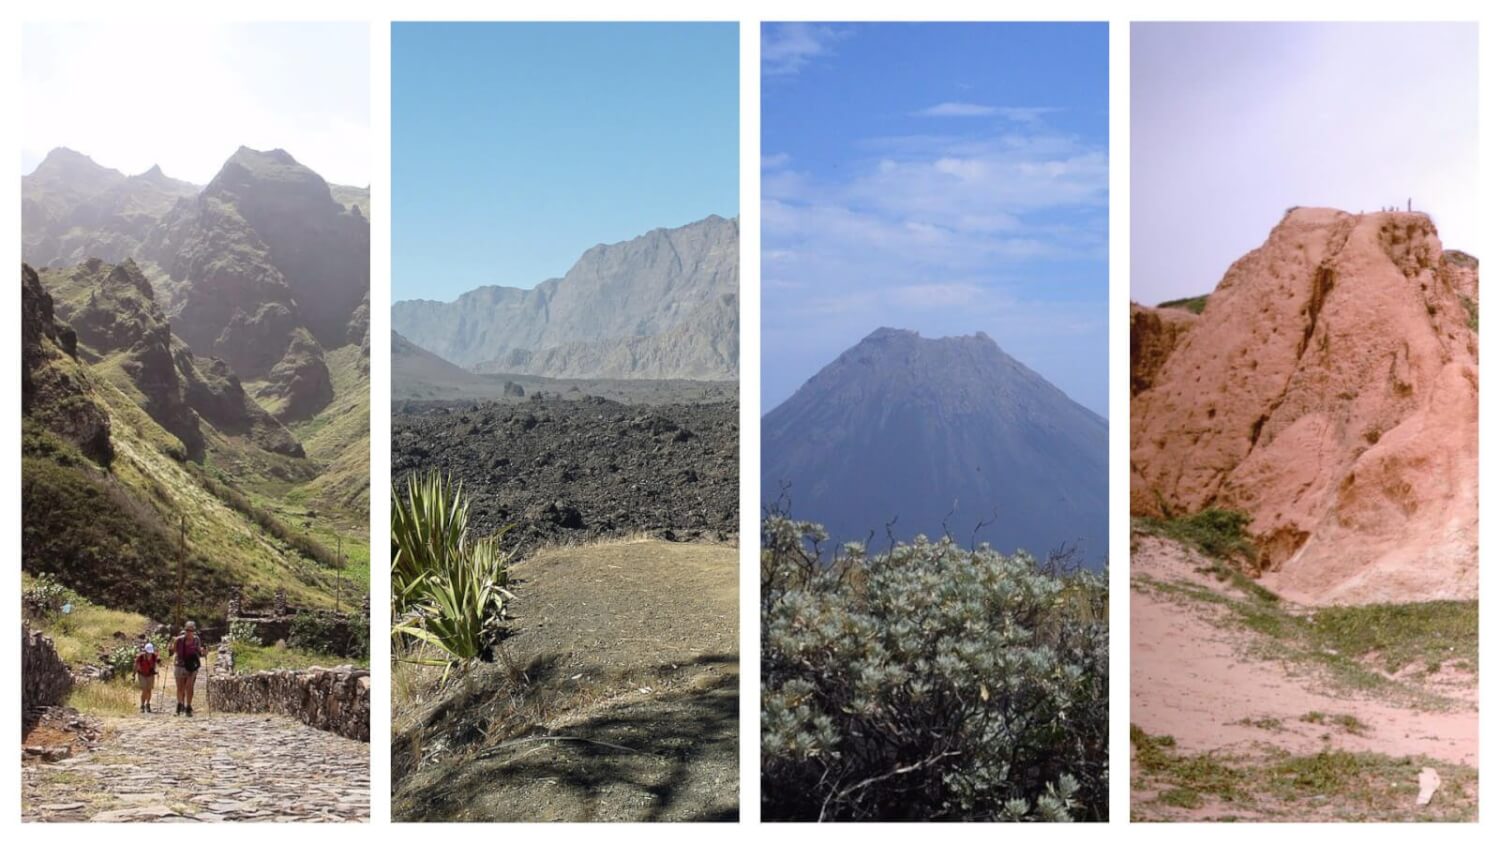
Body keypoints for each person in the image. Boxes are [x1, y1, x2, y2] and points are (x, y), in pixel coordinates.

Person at [172, 621, 204, 716]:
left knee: (189, 686)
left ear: (194, 631)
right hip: (180, 665)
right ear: (185, 630)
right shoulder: (179, 640)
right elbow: (173, 651)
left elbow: (199, 651)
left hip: (191, 666)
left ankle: (188, 706)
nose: (189, 632)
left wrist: (203, 651)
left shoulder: (196, 640)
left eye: (191, 630)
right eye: (187, 630)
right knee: (180, 687)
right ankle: (179, 704)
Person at [134, 642, 158, 714]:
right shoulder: (140, 657)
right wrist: (133, 674)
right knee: (144, 690)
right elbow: (136, 665)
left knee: (149, 690)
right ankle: (142, 705)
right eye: (148, 652)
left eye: (150, 652)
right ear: (145, 651)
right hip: (142, 675)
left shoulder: (154, 656)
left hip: (150, 675)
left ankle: (148, 704)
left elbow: (157, 663)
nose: (149, 654)